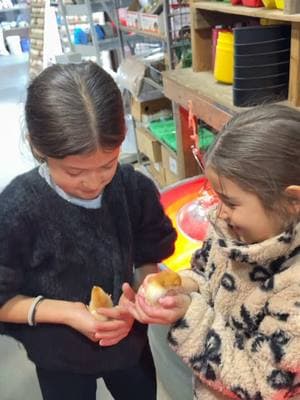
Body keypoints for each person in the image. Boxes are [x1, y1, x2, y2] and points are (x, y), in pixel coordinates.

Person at [0, 61, 177, 400]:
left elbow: (146, 257)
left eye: (108, 164)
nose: (93, 182)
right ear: (37, 145)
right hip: (59, 357)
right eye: (74, 171)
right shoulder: (17, 210)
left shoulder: (133, 190)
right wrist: (68, 312)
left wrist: (139, 299)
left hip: (129, 344)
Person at [123, 104, 300, 400]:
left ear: (292, 201)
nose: (220, 214)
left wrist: (188, 316)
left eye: (230, 203)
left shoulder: (293, 288)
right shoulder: (231, 233)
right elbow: (202, 271)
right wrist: (177, 291)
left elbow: (259, 381)